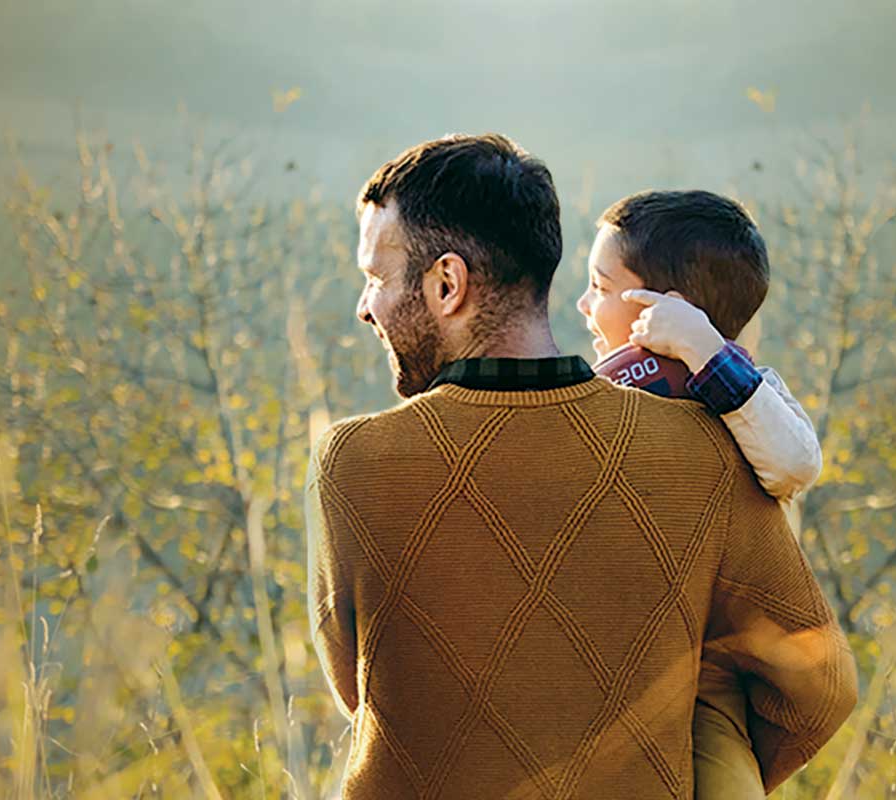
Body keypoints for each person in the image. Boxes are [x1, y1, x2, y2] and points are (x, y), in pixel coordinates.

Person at [306, 133, 856, 799]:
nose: (366, 306)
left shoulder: (354, 463)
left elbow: (357, 687)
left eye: (375, 279)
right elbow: (819, 690)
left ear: (447, 285)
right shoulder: (702, 449)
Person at [577, 189, 823, 799]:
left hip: (699, 677)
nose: (583, 305)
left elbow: (795, 463)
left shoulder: (743, 391)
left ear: (667, 311)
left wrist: (701, 349)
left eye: (602, 288)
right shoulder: (595, 393)